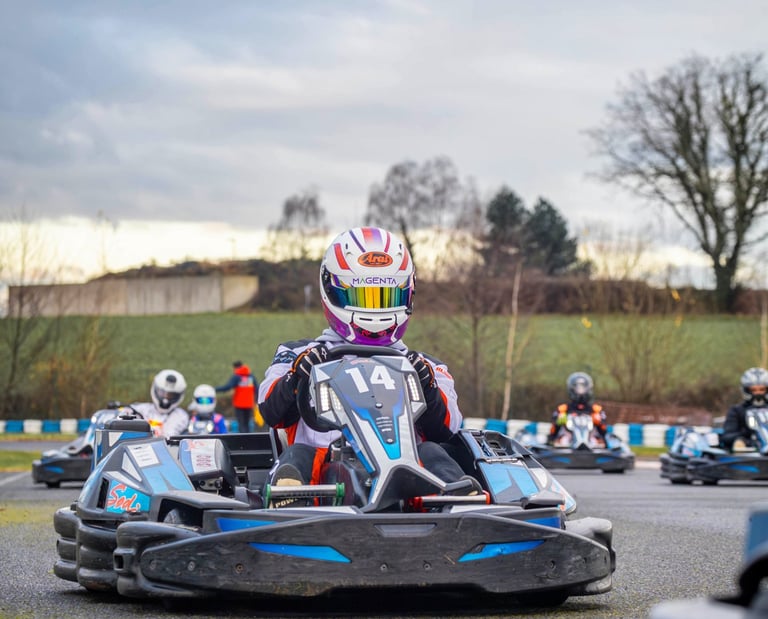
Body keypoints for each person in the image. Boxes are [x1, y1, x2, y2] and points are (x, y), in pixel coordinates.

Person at [258, 226, 480, 499]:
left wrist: (428, 387)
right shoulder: (297, 354)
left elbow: (448, 429)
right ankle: (288, 497)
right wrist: (296, 377)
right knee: (298, 455)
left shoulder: (426, 367)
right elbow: (270, 411)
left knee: (433, 452)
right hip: (324, 478)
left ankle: (461, 499)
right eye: (362, 297)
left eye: (386, 298)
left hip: (405, 474)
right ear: (332, 291)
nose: (374, 310)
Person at [547, 371, 608, 445]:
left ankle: (586, 446)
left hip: (590, 441)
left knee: (595, 441)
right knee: (563, 440)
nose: (580, 390)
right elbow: (553, 431)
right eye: (578, 387)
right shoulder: (563, 409)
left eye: (583, 387)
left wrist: (599, 422)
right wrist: (558, 421)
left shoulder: (596, 410)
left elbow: (604, 432)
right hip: (568, 441)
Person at [131, 369, 190, 438]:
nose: (165, 400)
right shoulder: (141, 408)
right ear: (155, 389)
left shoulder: (180, 416)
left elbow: (168, 435)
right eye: (162, 393)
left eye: (170, 395)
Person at [721, 367, 768, 451]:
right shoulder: (737, 410)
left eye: (762, 390)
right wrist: (745, 435)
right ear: (746, 390)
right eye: (754, 390)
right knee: (739, 443)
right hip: (751, 450)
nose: (758, 393)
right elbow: (726, 437)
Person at [215, 360, 258, 433]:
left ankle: (242, 438)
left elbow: (228, 387)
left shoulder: (237, 377)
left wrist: (215, 389)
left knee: (241, 424)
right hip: (248, 404)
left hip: (239, 404)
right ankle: (248, 438)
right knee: (247, 424)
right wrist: (256, 400)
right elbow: (257, 389)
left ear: (235, 368)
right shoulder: (251, 377)